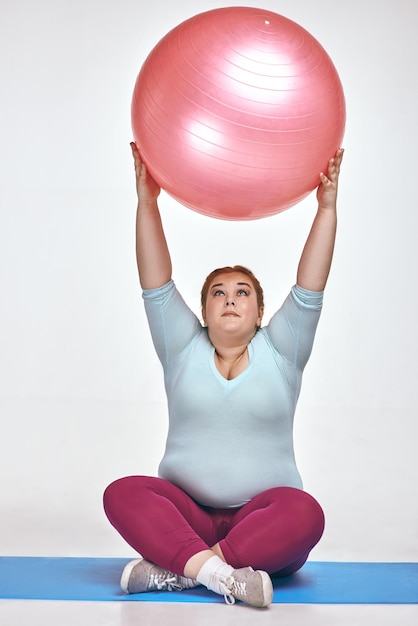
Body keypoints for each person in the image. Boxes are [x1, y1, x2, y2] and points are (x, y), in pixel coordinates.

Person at [103, 143, 344, 608]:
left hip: (264, 525)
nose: (229, 299)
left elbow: (312, 283)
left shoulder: (283, 350)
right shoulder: (181, 347)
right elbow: (155, 283)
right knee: (122, 493)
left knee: (306, 514)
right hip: (186, 519)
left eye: (241, 292)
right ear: (203, 311)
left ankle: (184, 573)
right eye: (217, 292)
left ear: (259, 313)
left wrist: (327, 209)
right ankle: (221, 576)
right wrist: (147, 201)